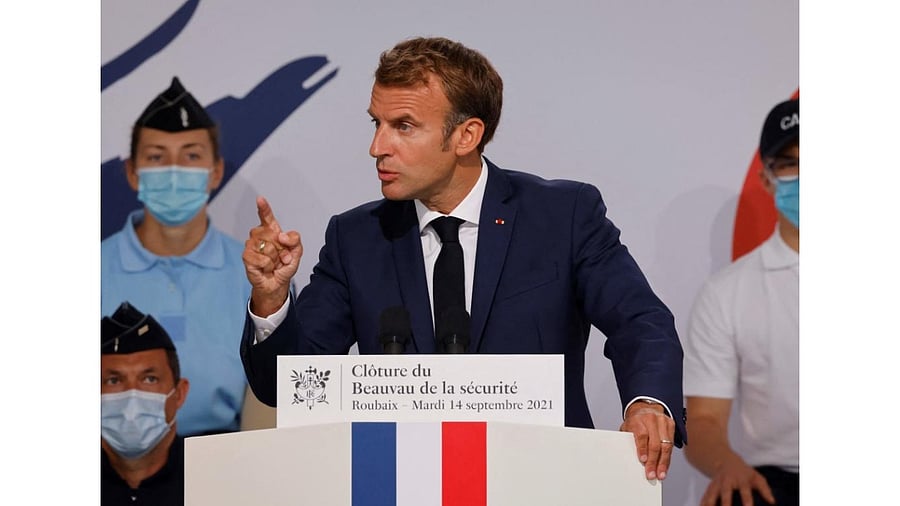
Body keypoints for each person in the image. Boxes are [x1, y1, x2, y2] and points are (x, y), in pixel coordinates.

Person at [240, 36, 686, 480]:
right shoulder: (357, 238)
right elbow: (287, 387)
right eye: (376, 123)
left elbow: (640, 321)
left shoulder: (562, 216)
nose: (377, 146)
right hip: (401, 481)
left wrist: (647, 401)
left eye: (404, 126)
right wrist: (272, 300)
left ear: (466, 135)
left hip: (543, 479)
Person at [101, 77, 252, 436]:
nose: (174, 171)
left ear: (215, 172)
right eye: (156, 157)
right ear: (133, 173)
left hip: (228, 467)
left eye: (191, 155)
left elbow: (275, 394)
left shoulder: (254, 276)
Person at [682, 98, 799, 506]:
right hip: (780, 481)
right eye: (789, 164)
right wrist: (725, 464)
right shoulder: (728, 292)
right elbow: (703, 420)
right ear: (766, 178)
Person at [101, 301, 189, 505]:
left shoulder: (218, 478)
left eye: (150, 379)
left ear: (179, 394)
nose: (132, 395)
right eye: (113, 381)